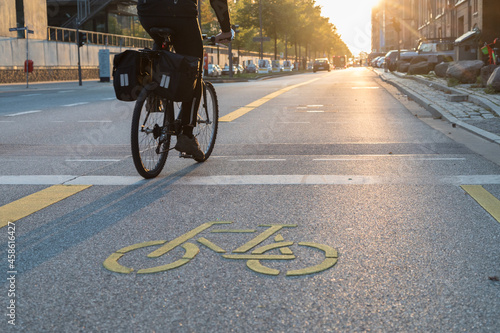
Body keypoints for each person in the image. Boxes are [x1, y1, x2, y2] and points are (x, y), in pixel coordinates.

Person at [137, 0, 233, 160]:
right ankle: (187, 135)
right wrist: (226, 30)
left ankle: (154, 92)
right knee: (194, 70)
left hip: (147, 12)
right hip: (179, 13)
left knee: (161, 44)